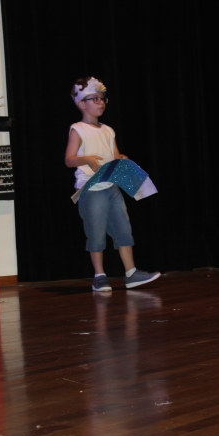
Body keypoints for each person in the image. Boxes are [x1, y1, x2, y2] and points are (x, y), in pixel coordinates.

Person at [65, 77, 160, 292]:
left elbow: (114, 156)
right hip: (91, 190)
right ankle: (99, 276)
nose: (101, 102)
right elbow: (69, 160)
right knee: (96, 232)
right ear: (81, 104)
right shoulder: (78, 129)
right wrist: (85, 159)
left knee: (123, 229)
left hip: (111, 188)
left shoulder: (108, 130)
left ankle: (131, 273)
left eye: (103, 99)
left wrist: (121, 159)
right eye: (95, 99)